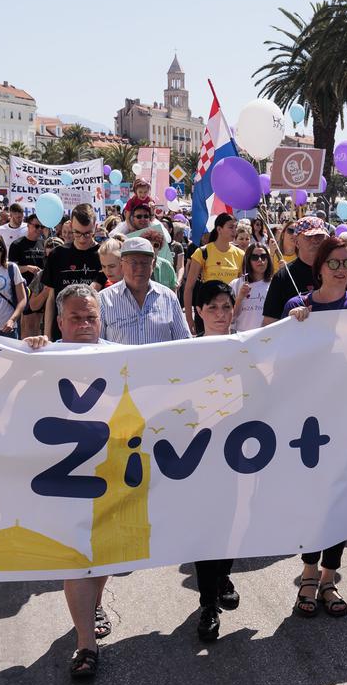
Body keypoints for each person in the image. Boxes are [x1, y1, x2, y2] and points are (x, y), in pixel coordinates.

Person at [285, 236, 347, 617]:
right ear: (320, 267)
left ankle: (329, 578)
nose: (342, 270)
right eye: (335, 263)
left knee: (342, 501)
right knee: (317, 501)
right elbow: (284, 364)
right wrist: (291, 327)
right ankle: (309, 574)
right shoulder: (299, 307)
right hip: (311, 425)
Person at [23, 283, 116, 678]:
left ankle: (94, 605)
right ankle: (85, 643)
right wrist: (28, 353)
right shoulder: (41, 355)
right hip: (61, 482)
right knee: (77, 557)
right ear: (59, 320)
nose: (83, 324)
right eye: (75, 317)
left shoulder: (123, 358)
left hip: (110, 477)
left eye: (90, 317)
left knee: (104, 554)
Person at [185, 279, 245, 640]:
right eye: (213, 308)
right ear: (199, 312)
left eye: (226, 307)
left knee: (234, 524)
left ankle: (222, 574)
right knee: (207, 529)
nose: (221, 315)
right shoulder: (186, 353)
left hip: (240, 456)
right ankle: (208, 603)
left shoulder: (247, 349)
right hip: (200, 457)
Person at [99, 235, 191, 345]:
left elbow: (184, 341)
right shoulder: (104, 300)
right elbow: (97, 346)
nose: (139, 268)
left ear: (153, 264)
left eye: (144, 262)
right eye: (133, 262)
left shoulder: (168, 297)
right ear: (122, 264)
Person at [37, 204, 105, 340]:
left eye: (87, 233)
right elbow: (51, 298)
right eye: (77, 233)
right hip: (62, 332)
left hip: (93, 334)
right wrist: (47, 334)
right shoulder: (57, 254)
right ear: (70, 225)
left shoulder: (103, 255)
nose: (82, 238)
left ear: (95, 227)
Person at [262, 217, 333, 324]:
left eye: (319, 236)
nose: (314, 241)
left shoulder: (338, 272)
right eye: (308, 237)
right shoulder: (283, 277)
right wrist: (288, 315)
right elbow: (269, 322)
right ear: (296, 242)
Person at [182, 213, 245, 324]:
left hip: (230, 312)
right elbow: (189, 288)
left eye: (236, 227)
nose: (234, 231)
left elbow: (242, 287)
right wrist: (188, 318)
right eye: (230, 227)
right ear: (219, 229)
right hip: (208, 311)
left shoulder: (240, 254)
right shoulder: (202, 252)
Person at [229, 241, 274, 334]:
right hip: (242, 337)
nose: (260, 260)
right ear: (248, 260)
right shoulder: (236, 284)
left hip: (266, 337)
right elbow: (230, 317)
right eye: (254, 257)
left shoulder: (274, 285)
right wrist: (240, 298)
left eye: (263, 256)